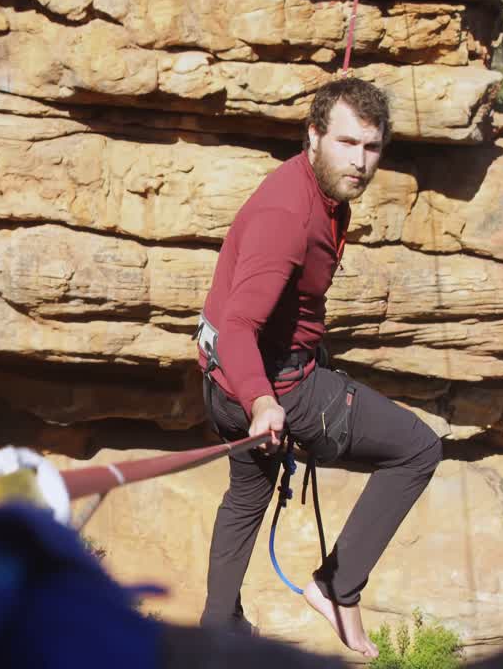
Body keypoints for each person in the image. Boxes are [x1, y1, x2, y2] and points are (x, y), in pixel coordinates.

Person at [195, 77, 443, 658]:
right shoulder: (288, 214)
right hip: (274, 383)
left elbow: (230, 325)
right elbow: (239, 326)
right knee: (417, 449)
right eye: (346, 143)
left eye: (371, 147)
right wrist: (263, 402)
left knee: (246, 497)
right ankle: (337, 589)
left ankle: (214, 634)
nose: (359, 162)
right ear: (313, 136)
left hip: (224, 379)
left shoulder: (314, 183)